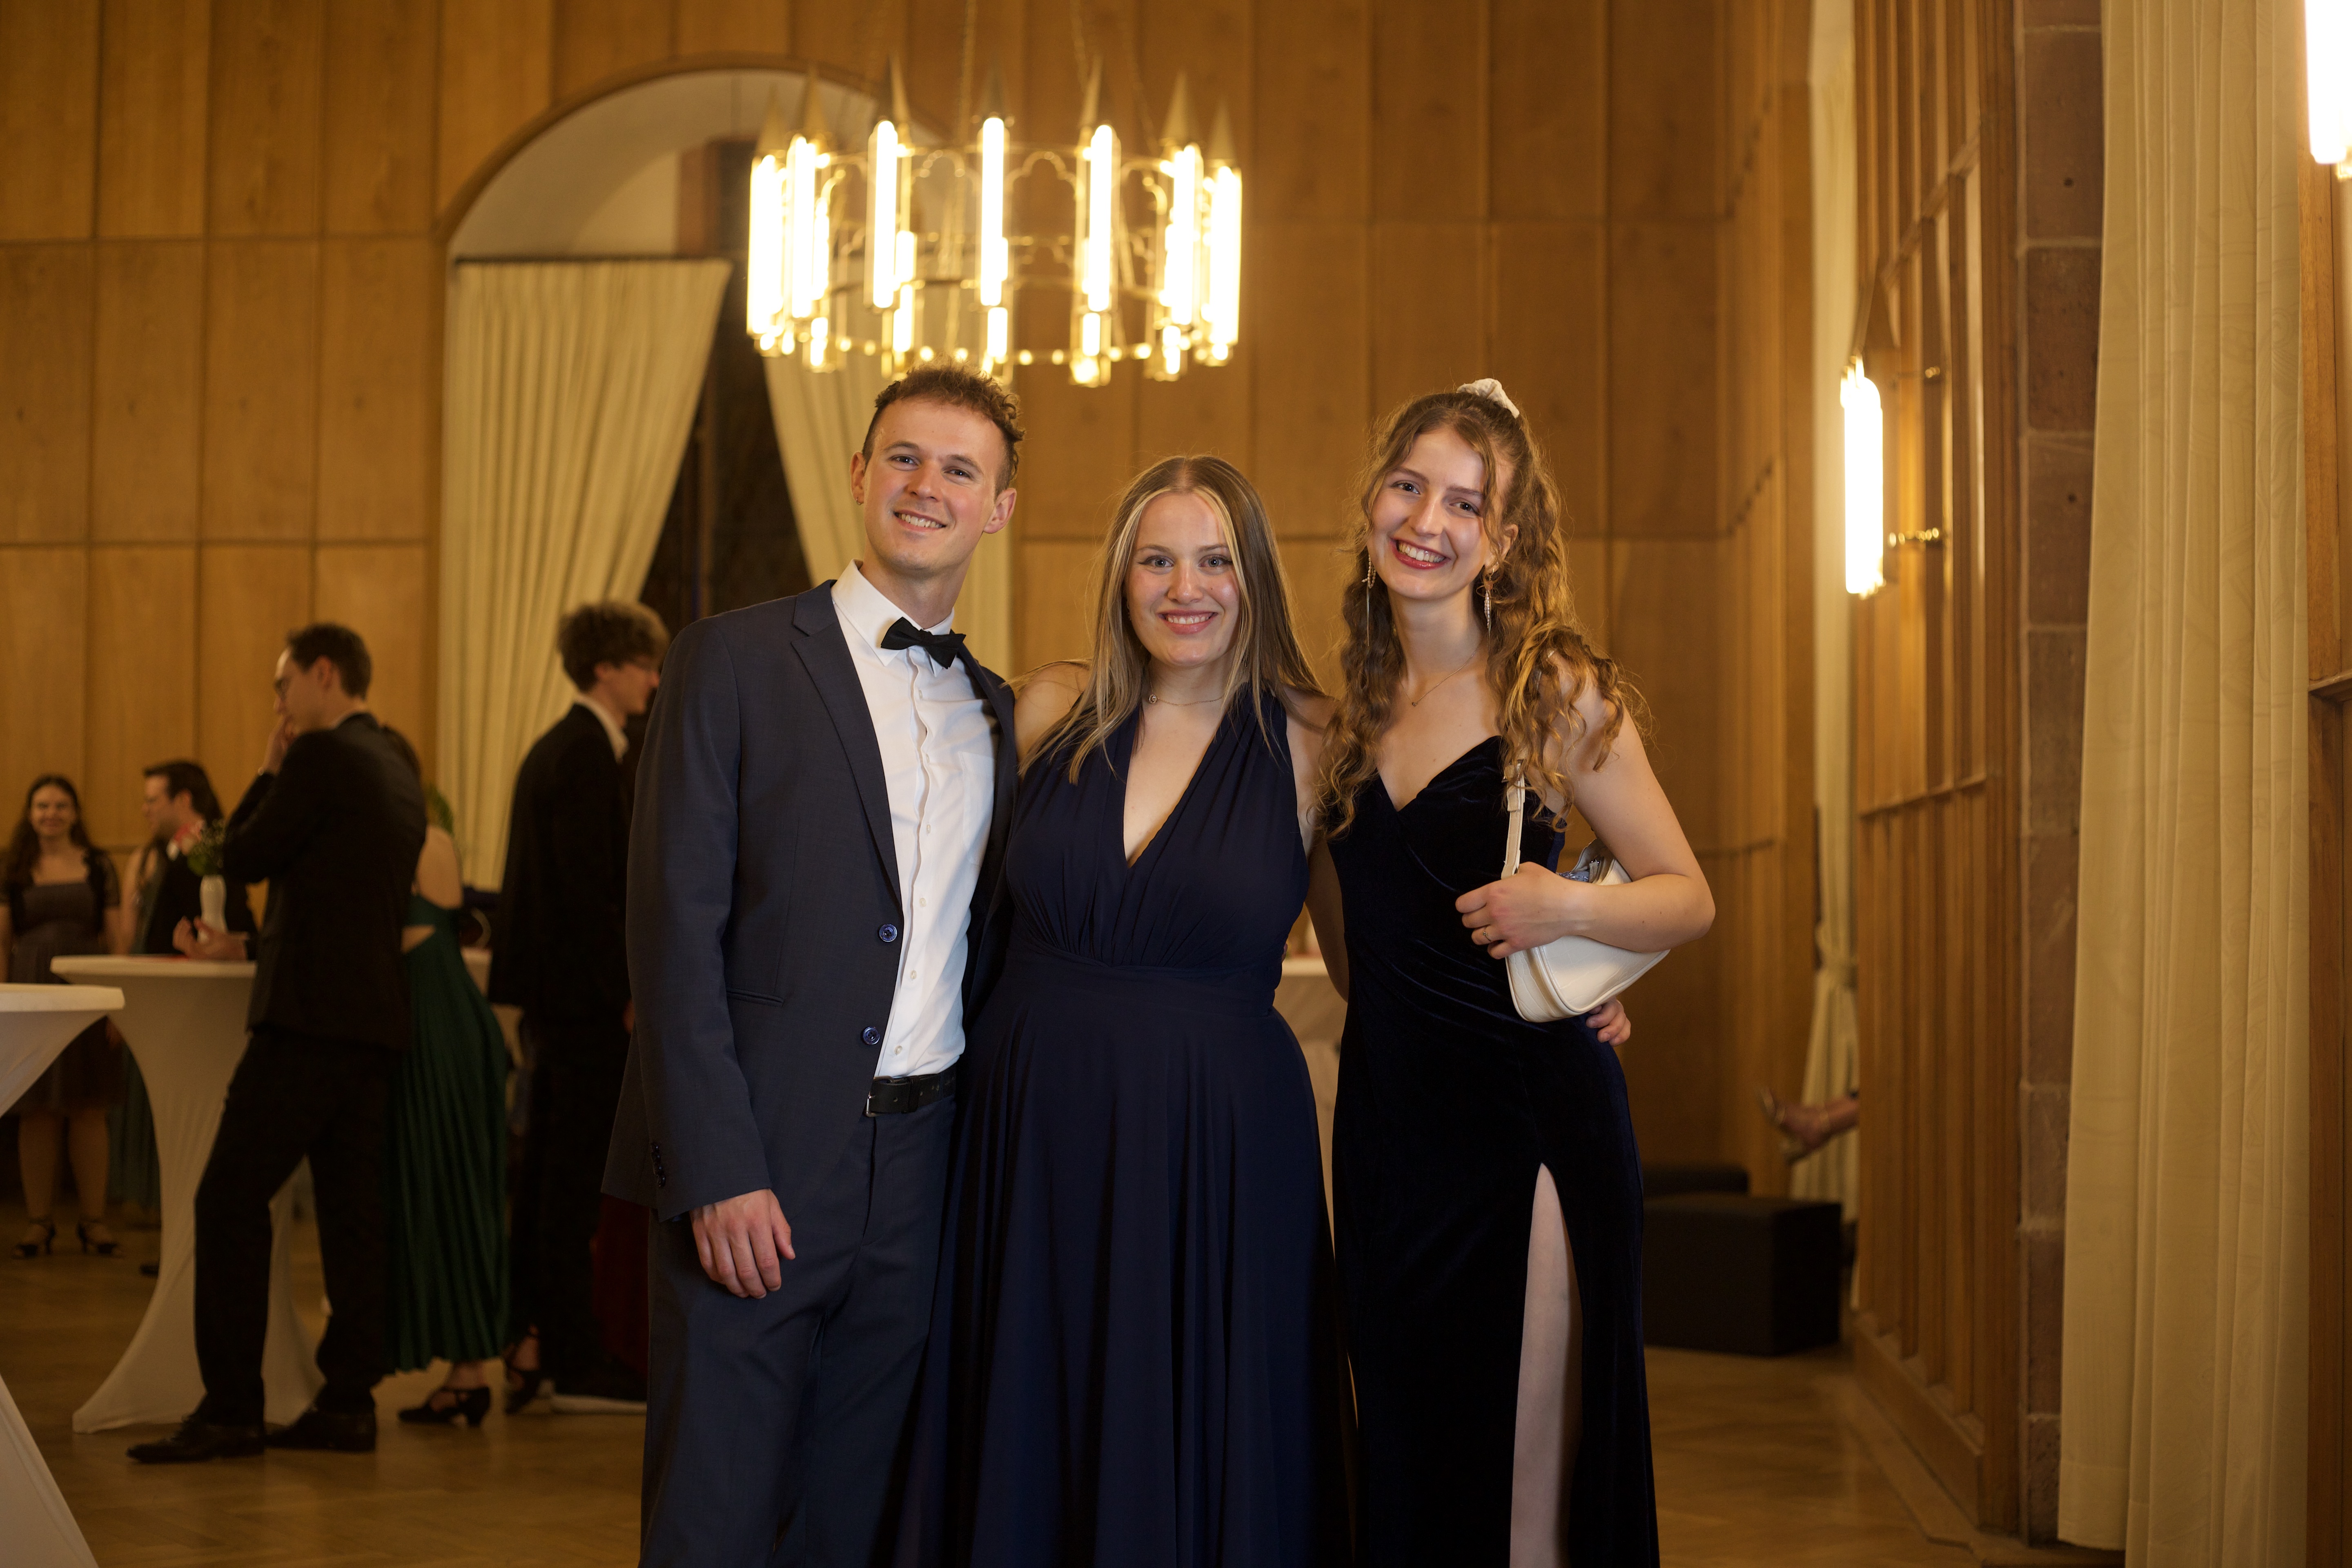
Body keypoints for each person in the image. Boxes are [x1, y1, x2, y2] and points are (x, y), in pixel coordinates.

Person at [893, 456, 1351, 1567]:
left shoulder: (1316, 740)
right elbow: (921, 893)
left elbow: (1373, 967)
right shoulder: (1049, 707)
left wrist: (1556, 1003)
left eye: (1214, 560)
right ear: (1120, 576)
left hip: (1217, 1152)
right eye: (1157, 560)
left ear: (1254, 576)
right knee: (1029, 1412)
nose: (1184, 588)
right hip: (1028, 1134)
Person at [607, 364, 1020, 1566]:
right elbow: (671, 932)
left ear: (998, 507)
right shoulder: (729, 659)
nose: (926, 485)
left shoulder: (997, 711)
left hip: (924, 1173)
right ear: (857, 473)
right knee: (715, 1512)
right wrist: (718, 1167)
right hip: (760, 1160)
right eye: (904, 456)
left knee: (859, 1518)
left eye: (959, 469)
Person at [1313, 381, 1712, 1566]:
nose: (1425, 520)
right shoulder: (1345, 718)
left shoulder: (1551, 689)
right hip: (1388, 1136)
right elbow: (1351, 956)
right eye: (1407, 486)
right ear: (1372, 502)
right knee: (1406, 1450)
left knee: (1524, 1467)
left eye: (1464, 503)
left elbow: (1686, 894)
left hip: (1527, 1123)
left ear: (1503, 541)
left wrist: (1564, 908)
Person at [129, 623, 427, 1463]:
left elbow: (244, 855)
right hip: (372, 1019)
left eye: (282, 685)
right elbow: (344, 897)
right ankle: (347, 1402)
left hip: (308, 1021)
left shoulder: (322, 755)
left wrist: (267, 768)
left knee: (227, 1199)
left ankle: (232, 1408)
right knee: (351, 1213)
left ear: (323, 674)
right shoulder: (396, 765)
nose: (278, 704)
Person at [490, 600, 668, 1414]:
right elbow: (588, 895)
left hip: (559, 1000)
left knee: (548, 1178)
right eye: (644, 667)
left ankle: (534, 1336)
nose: (654, 682)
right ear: (606, 669)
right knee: (571, 1183)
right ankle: (570, 1353)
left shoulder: (563, 748)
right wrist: (625, 994)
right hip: (583, 1006)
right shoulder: (586, 756)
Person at [376, 726, 512, 1427]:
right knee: (461, 1189)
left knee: (437, 1190)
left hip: (430, 1024)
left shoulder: (393, 838)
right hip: (455, 1018)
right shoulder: (434, 836)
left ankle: (461, 1367)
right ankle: (467, 1369)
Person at [118, 762, 256, 1229]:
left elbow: (234, 919)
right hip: (162, 992)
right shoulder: (166, 852)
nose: (145, 809)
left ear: (183, 800)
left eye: (152, 800)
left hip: (196, 1001)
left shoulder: (215, 848)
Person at [4, 774, 130, 1259]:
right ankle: (39, 1223)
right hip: (31, 991)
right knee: (36, 1109)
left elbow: (116, 941)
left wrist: (119, 1005)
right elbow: (1, 943)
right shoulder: (12, 867)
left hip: (87, 991)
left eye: (61, 805)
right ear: (30, 813)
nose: (51, 814)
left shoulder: (98, 866)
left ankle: (93, 1221)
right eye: (42, 805)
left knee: (89, 1108)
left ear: (75, 813)